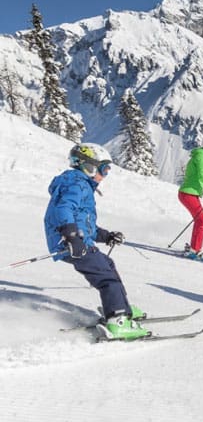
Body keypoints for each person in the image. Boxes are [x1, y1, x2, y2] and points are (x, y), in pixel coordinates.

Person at [44, 143, 148, 340]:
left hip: (78, 241)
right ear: (89, 166)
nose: (105, 174)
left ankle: (121, 307)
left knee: (108, 265)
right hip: (71, 243)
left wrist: (106, 235)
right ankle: (117, 319)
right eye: (104, 169)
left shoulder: (79, 184)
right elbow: (63, 210)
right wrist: (71, 236)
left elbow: (86, 226)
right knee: (105, 277)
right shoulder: (77, 185)